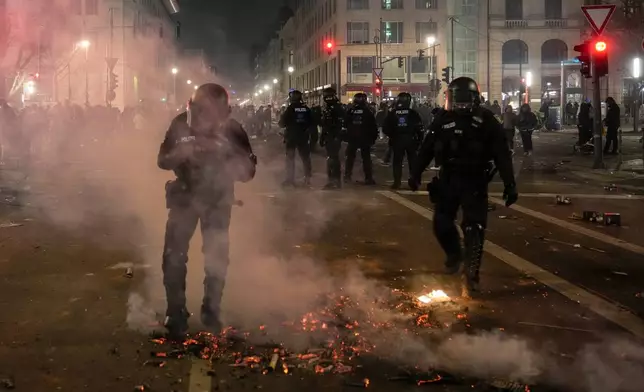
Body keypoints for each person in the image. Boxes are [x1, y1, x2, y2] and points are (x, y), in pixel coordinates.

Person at [157, 83, 257, 339]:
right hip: (184, 199)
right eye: (200, 112)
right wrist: (181, 153)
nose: (203, 120)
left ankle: (211, 309)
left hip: (217, 201)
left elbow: (248, 173)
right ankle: (175, 311)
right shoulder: (180, 123)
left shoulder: (233, 130)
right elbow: (162, 160)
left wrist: (229, 158)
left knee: (216, 255)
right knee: (174, 256)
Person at [408, 77, 517, 298]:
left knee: (474, 229)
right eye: (457, 101)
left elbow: (502, 155)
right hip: (449, 177)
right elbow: (426, 149)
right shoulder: (442, 119)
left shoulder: (487, 121)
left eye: (466, 101)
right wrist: (415, 173)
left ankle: (472, 274)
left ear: (475, 99)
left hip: (475, 179)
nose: (462, 105)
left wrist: (510, 184)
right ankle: (454, 255)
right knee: (441, 224)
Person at [383, 92, 423, 189]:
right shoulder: (413, 113)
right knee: (413, 162)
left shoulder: (392, 113)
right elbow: (419, 128)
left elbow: (385, 128)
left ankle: (397, 182)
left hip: (397, 140)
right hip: (411, 140)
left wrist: (392, 136)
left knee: (397, 162)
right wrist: (419, 140)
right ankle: (414, 182)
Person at [278, 90, 313, 186]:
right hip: (303, 137)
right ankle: (308, 178)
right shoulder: (306, 109)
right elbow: (311, 122)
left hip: (291, 137)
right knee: (305, 158)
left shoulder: (290, 109)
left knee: (290, 159)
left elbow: (282, 123)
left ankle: (290, 180)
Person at [344, 92, 378, 184]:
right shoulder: (368, 111)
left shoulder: (351, 111)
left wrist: (346, 136)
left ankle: (347, 176)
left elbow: (345, 124)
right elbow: (373, 126)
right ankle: (368, 177)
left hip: (353, 138)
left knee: (350, 158)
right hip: (365, 138)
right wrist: (373, 138)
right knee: (366, 158)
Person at [319, 87, 345, 189]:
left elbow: (341, 124)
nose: (326, 97)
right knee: (331, 158)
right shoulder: (328, 107)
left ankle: (335, 181)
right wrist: (322, 136)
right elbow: (325, 125)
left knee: (333, 159)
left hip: (334, 136)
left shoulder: (336, 108)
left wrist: (338, 137)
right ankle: (333, 181)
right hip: (329, 136)